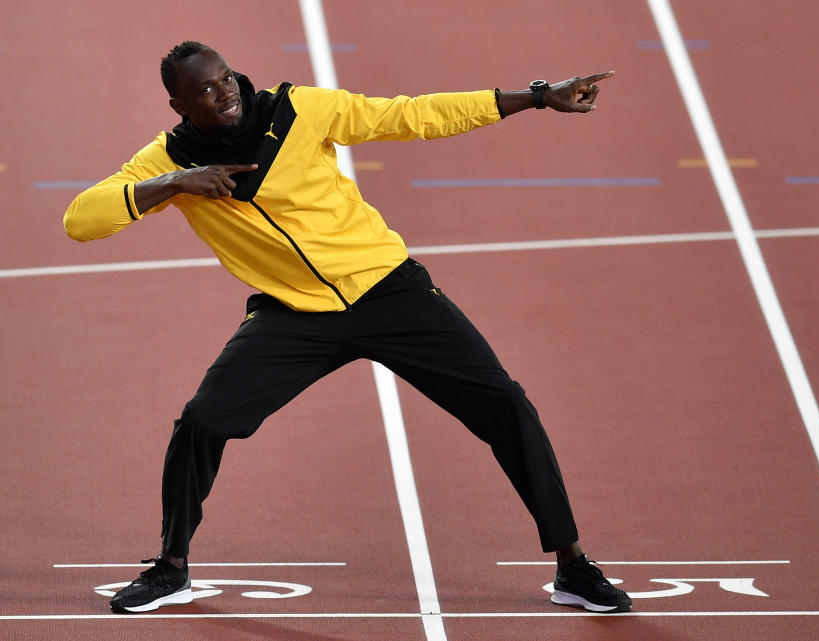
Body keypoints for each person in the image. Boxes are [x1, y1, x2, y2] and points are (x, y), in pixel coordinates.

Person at [63, 41, 630, 615]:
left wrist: (534, 98)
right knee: (201, 422)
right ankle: (171, 568)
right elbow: (80, 221)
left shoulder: (298, 111)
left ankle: (573, 567)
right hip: (293, 314)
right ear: (177, 105)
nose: (225, 92)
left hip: (388, 290)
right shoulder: (168, 160)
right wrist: (175, 183)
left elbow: (411, 115)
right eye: (205, 90)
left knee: (507, 405)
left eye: (227, 78)